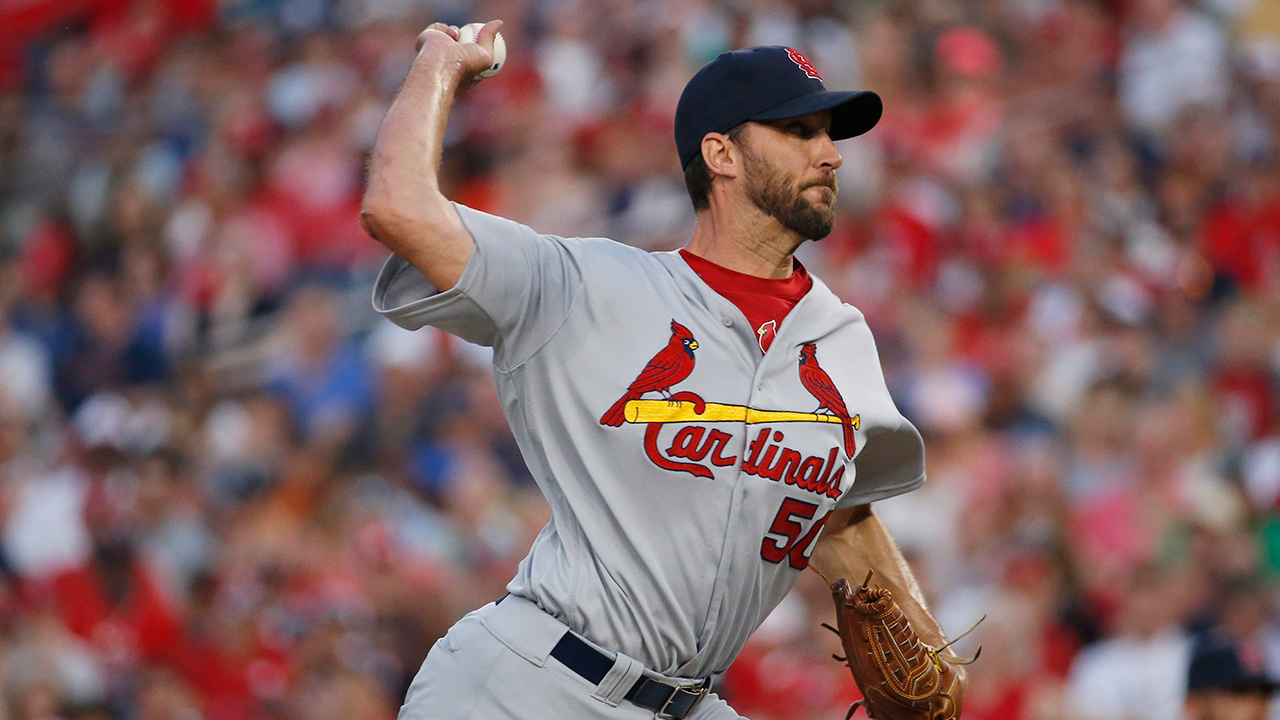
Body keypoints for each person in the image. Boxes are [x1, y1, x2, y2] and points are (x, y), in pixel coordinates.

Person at [361, 20, 961, 720]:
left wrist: (929, 649)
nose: (829, 154)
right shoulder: (585, 283)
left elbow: (841, 515)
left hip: (688, 702)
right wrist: (439, 64)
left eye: (829, 135)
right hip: (529, 683)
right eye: (799, 131)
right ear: (721, 153)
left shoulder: (843, 337)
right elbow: (398, 208)